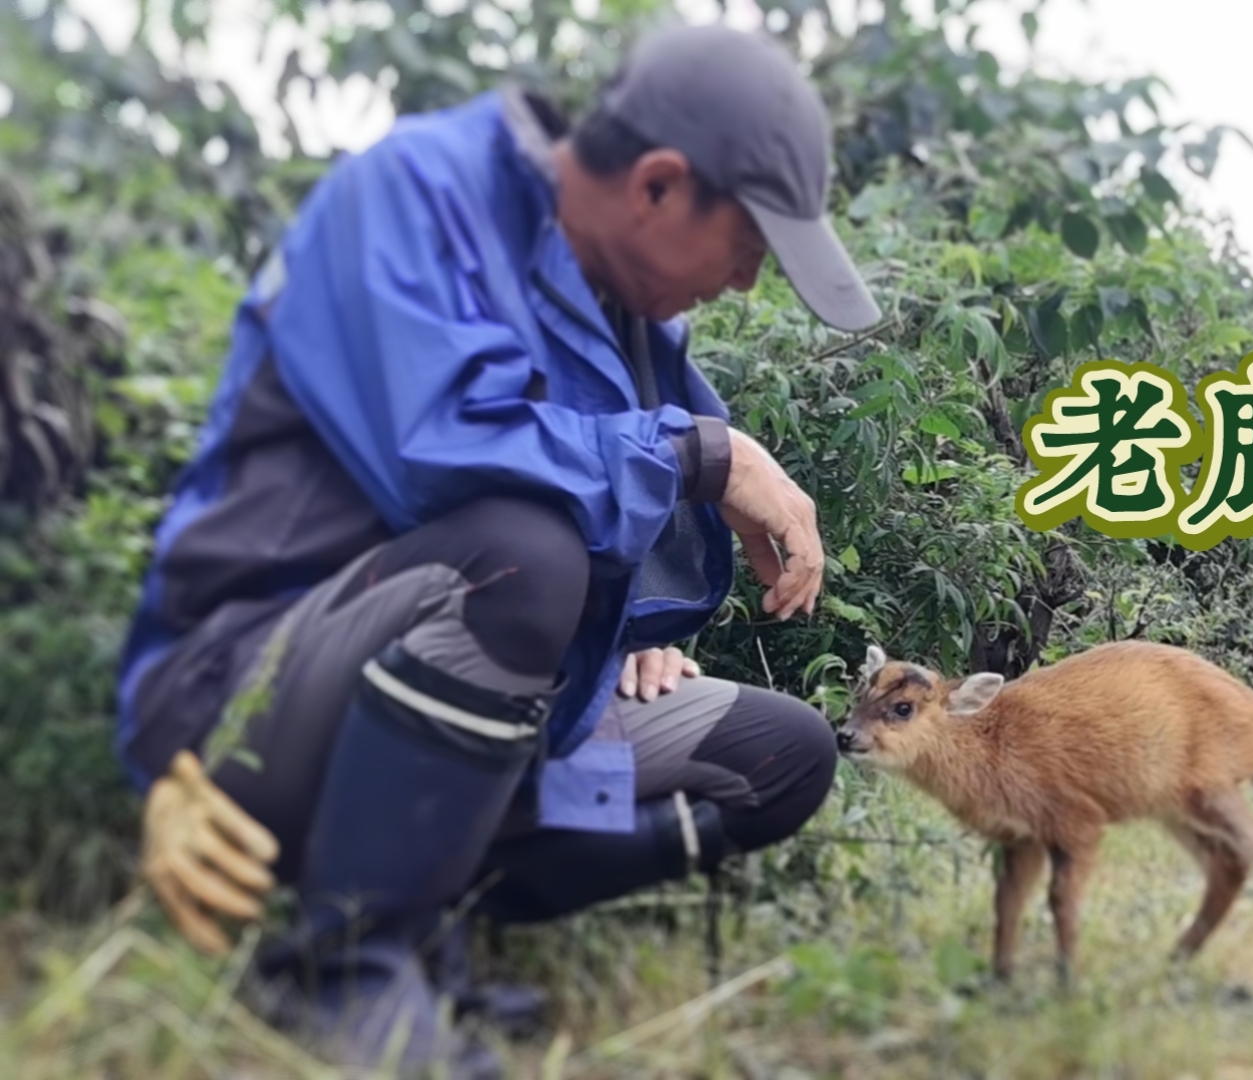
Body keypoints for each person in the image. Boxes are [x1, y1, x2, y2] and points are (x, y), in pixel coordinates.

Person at [116, 20, 880, 1075]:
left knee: (778, 755)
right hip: (249, 685)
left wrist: (634, 638)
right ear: (658, 186)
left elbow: (625, 519)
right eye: (748, 250)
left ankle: (434, 909)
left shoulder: (634, 316)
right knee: (524, 556)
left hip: (474, 706)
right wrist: (708, 454)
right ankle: (341, 964)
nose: (744, 285)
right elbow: (450, 455)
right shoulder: (413, 194)